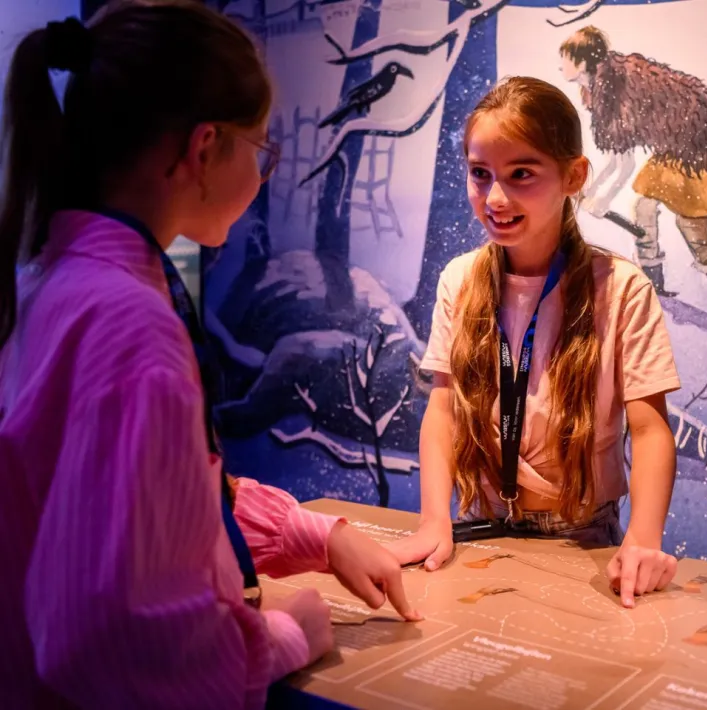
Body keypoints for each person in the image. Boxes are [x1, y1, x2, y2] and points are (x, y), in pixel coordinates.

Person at [0, 3, 417, 709]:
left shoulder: (52, 279)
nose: (263, 173)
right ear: (203, 150)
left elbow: (149, 497)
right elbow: (116, 641)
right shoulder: (129, 323)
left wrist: (313, 533)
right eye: (262, 151)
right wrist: (287, 636)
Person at [387, 76, 681, 609]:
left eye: (521, 173)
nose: (496, 197)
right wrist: (435, 518)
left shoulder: (620, 287)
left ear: (573, 175)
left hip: (584, 535)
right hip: (480, 525)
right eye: (481, 175)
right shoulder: (460, 278)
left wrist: (644, 538)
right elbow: (443, 410)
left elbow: (650, 427)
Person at [558, 25, 707, 314]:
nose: (560, 67)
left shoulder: (619, 89)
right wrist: (588, 192)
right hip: (673, 146)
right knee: (644, 207)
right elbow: (616, 156)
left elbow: (624, 165)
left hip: (701, 144)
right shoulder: (599, 90)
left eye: (565, 59)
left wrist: (602, 200)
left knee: (691, 222)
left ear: (584, 61)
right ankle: (653, 284)